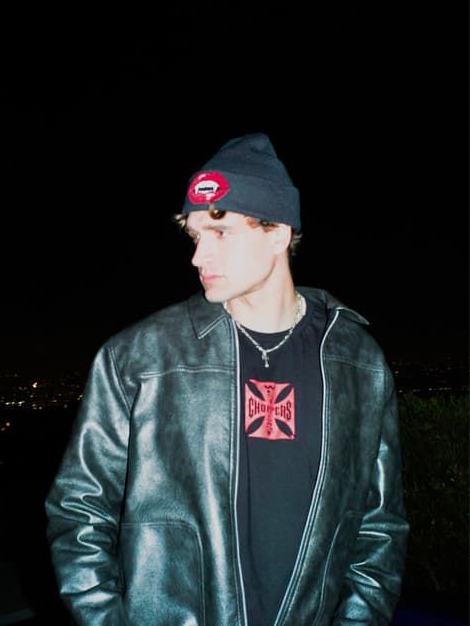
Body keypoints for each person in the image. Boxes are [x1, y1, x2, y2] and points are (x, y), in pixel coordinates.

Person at [45, 133, 409, 625]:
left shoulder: (358, 363)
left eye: (220, 233)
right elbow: (78, 513)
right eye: (196, 236)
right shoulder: (139, 358)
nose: (198, 256)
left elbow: (380, 527)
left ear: (278, 233)